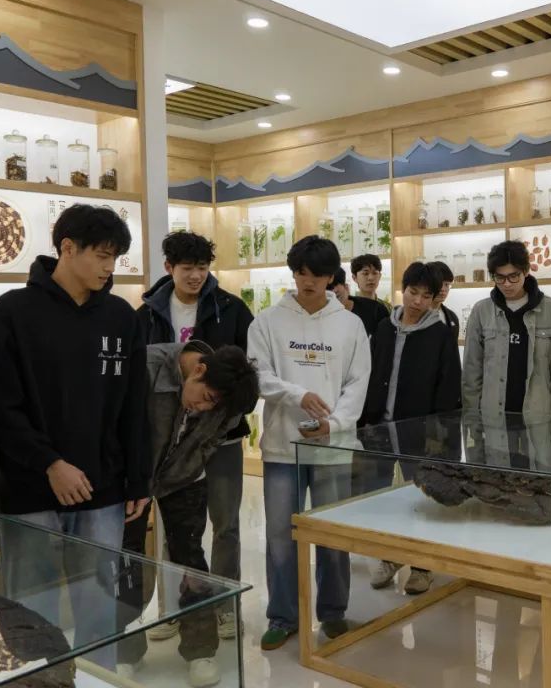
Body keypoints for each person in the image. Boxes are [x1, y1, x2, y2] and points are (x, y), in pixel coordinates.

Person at [0, 203, 150, 669]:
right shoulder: (12, 311)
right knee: (31, 609)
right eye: (102, 255)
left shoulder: (121, 316)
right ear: (68, 248)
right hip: (30, 487)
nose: (109, 267)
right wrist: (49, 463)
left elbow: (134, 405)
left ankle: (99, 677)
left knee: (99, 608)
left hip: (103, 488)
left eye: (115, 258)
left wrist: (139, 478)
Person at [248, 236, 370, 651]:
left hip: (333, 446)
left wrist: (333, 423)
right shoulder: (267, 321)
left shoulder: (350, 325)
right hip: (282, 447)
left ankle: (333, 612)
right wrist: (297, 396)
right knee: (280, 536)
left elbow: (358, 383)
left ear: (332, 276)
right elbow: (258, 375)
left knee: (333, 533)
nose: (309, 282)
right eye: (301, 273)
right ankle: (283, 616)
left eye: (318, 274)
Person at [117, 341, 258, 687]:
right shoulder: (148, 366)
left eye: (214, 407)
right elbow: (117, 423)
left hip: (185, 477)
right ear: (199, 370)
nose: (203, 408)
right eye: (206, 398)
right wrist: (134, 481)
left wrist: (191, 463)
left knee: (191, 561)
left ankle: (200, 650)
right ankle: (124, 652)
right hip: (130, 479)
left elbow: (214, 438)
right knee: (125, 560)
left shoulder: (229, 399)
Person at [135, 230, 253, 641]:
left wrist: (222, 417)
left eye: (203, 268)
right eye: (187, 268)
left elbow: (247, 374)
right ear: (169, 267)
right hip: (168, 442)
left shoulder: (231, 309)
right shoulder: (148, 313)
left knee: (225, 525)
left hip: (222, 436)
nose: (196, 276)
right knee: (178, 527)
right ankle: (174, 608)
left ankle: (223, 606)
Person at [360, 262, 462, 596]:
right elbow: (370, 373)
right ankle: (389, 557)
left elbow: (448, 386)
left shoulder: (440, 334)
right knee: (382, 500)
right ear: (402, 290)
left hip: (419, 433)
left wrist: (440, 435)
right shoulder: (384, 328)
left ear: (435, 298)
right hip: (379, 429)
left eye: (425, 296)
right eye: (412, 292)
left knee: (420, 499)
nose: (417, 301)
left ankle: (421, 566)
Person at [462, 240, 551, 416]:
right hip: (493, 418)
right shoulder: (481, 311)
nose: (507, 284)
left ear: (526, 271)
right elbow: (471, 372)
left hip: (538, 417)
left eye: (513, 276)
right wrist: (472, 420)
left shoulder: (550, 309)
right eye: (500, 277)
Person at [328, 266, 390, 338]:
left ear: (346, 287)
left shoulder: (376, 310)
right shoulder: (321, 318)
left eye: (333, 287)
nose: (331, 292)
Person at [426, 260, 459, 338]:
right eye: (439, 283)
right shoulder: (415, 315)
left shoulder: (452, 317)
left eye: (446, 284)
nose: (443, 289)